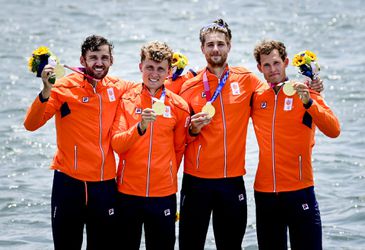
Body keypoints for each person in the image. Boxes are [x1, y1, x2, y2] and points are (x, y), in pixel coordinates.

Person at [23, 35, 134, 250]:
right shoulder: (63, 88)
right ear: (82, 61)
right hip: (69, 184)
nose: (99, 63)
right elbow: (31, 124)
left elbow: (152, 85)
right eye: (93, 57)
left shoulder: (120, 87)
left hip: (104, 185)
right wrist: (46, 90)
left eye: (104, 57)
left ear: (112, 60)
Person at [177, 18, 265, 250]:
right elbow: (175, 135)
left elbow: (275, 94)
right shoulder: (188, 86)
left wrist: (311, 88)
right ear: (202, 48)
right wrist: (192, 129)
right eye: (210, 44)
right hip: (196, 182)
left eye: (220, 44)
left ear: (229, 46)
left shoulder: (247, 80)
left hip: (231, 181)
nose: (215, 49)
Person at [251, 40, 340, 250]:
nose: (272, 70)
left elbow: (334, 130)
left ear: (286, 62)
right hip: (265, 193)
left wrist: (309, 102)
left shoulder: (305, 93)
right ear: (259, 68)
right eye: (266, 65)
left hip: (300, 190)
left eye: (276, 63)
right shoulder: (256, 97)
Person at [111, 41, 190, 250]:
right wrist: (140, 127)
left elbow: (179, 149)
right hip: (128, 193)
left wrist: (167, 174)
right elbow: (117, 145)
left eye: (160, 69)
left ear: (169, 71)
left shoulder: (179, 106)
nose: (154, 73)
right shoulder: (126, 99)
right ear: (140, 67)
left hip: (163, 195)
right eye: (149, 67)